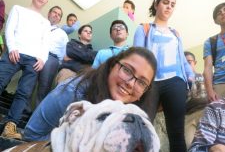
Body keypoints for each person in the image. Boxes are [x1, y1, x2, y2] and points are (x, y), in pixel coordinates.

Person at [24, 47, 157, 141]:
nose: (131, 83)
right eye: (127, 70)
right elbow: (31, 135)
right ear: (112, 66)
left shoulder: (131, 115)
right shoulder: (73, 92)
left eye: (142, 82)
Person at [133, 0, 194, 152]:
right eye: (165, 2)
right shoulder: (143, 29)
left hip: (175, 82)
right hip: (150, 83)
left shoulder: (176, 34)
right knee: (143, 130)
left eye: (172, 4)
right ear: (157, 4)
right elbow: (137, 56)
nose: (169, 6)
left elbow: (183, 60)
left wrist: (191, 76)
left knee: (176, 134)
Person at [0, 0, 50, 140]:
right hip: (14, 53)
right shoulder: (17, 9)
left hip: (33, 60)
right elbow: (9, 29)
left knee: (23, 94)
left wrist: (43, 59)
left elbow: (45, 43)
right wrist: (12, 47)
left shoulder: (46, 23)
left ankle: (10, 126)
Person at [34, 5, 68, 106]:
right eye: (54, 12)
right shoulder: (39, 25)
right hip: (35, 55)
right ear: (49, 13)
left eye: (59, 15)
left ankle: (36, 114)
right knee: (28, 83)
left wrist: (58, 64)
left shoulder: (63, 34)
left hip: (51, 59)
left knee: (44, 87)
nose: (56, 15)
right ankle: (23, 110)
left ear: (60, 19)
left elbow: (64, 52)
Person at [184, 51, 208, 148]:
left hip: (205, 113)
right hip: (188, 116)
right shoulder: (179, 81)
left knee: (210, 146)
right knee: (189, 147)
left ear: (195, 62)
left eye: (189, 62)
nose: (187, 66)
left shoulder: (204, 77)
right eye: (184, 63)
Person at [203, 2, 225, 102]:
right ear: (216, 20)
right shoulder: (210, 42)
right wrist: (209, 90)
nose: (223, 13)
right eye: (219, 13)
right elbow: (207, 67)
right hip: (220, 85)